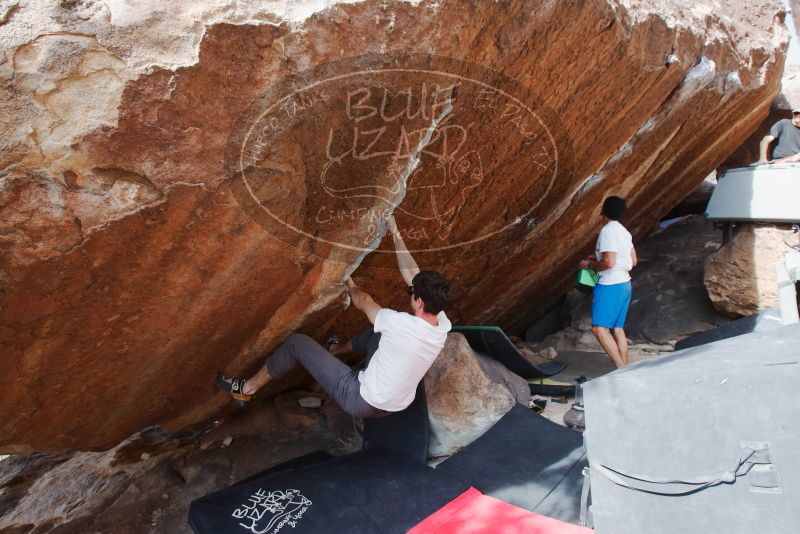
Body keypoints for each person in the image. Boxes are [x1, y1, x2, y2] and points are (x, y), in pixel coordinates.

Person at [217, 215, 452, 418]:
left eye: (412, 292)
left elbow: (364, 302)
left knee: (297, 343)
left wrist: (350, 284)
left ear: (419, 302)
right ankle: (335, 350)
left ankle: (245, 389)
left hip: (360, 399)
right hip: (394, 405)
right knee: (378, 335)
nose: (410, 291)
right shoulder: (441, 323)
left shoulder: (400, 324)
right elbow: (414, 275)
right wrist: (395, 232)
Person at [579, 196, 637, 368]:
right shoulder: (624, 232)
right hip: (625, 283)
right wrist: (596, 257)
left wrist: (589, 264)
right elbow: (633, 261)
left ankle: (621, 370)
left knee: (599, 329)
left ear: (602, 211)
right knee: (617, 329)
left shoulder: (607, 231)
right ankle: (625, 368)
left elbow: (609, 262)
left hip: (611, 284)